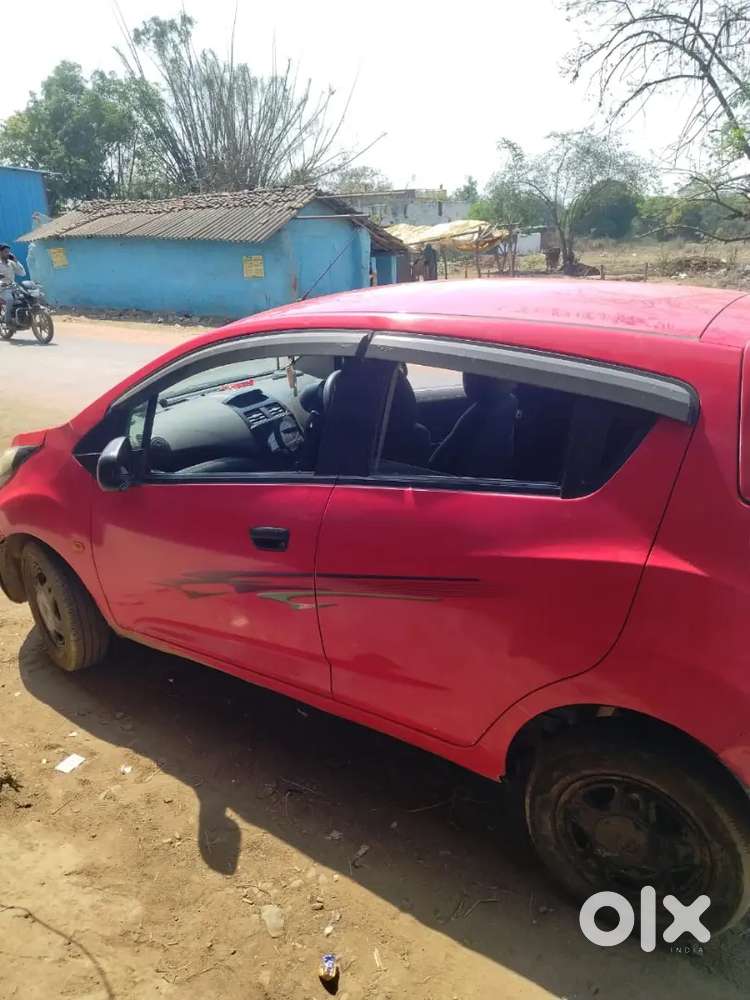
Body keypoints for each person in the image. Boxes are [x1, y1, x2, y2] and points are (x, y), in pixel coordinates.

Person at [0, 244, 25, 329]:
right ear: (0, 253)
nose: (8, 254)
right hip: (2, 288)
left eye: (9, 252)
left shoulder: (11, 263)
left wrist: (16, 261)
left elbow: (22, 273)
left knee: (24, 298)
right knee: (10, 300)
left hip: (13, 286)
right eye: (5, 252)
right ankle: (8, 321)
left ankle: (22, 318)